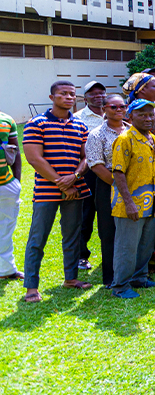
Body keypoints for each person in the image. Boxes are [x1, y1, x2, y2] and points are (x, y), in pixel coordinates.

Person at [22, 81, 93, 302]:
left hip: (76, 190)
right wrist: (60, 182)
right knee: (38, 238)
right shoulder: (36, 123)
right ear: (52, 97)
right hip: (46, 191)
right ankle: (31, 287)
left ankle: (71, 278)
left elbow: (87, 156)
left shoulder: (80, 126)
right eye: (63, 94)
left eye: (72, 94)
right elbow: (34, 158)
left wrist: (76, 177)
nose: (69, 97)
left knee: (72, 236)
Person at [108, 100, 155, 299]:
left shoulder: (153, 140)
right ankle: (120, 286)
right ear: (130, 117)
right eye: (142, 115)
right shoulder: (124, 139)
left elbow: (154, 172)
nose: (148, 118)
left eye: (151, 115)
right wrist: (129, 202)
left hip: (151, 203)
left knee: (145, 244)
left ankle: (140, 278)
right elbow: (118, 172)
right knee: (127, 246)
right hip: (129, 205)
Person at [72, 80, 105, 272]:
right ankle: (81, 256)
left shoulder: (114, 113)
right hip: (89, 172)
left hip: (110, 173)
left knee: (108, 215)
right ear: (85, 98)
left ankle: (109, 252)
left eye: (101, 93)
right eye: (93, 94)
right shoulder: (78, 118)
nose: (98, 96)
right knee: (85, 215)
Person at [0, 107, 21, 280]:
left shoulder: (7, 119)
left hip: (5, 185)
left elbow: (15, 151)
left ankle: (6, 270)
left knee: (5, 227)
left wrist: (17, 181)